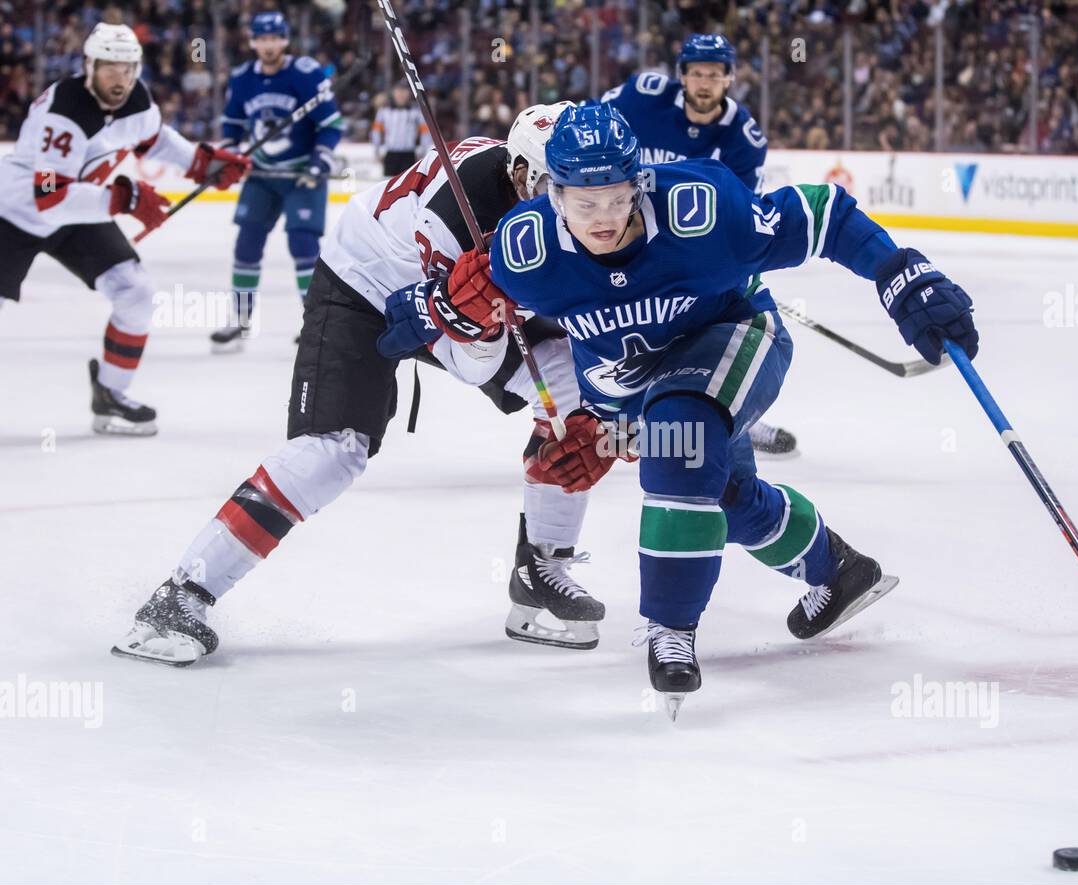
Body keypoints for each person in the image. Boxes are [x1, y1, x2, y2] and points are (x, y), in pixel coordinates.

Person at [463, 104, 978, 715]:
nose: (603, 217)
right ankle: (839, 570)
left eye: (616, 196)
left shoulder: (701, 213)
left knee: (680, 446)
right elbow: (488, 314)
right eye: (584, 201)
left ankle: (671, 632)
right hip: (641, 381)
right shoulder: (526, 253)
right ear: (555, 196)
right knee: (720, 502)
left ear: (639, 182)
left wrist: (900, 274)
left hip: (737, 334)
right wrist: (424, 312)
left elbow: (824, 215)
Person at [111, 102, 614, 667]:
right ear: (520, 172)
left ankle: (540, 577)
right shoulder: (455, 217)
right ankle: (180, 597)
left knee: (576, 396)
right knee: (332, 450)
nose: (577, 208)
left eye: (592, 190)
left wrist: (617, 412)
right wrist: (480, 315)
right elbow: (472, 363)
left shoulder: (586, 207)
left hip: (463, 299)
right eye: (558, 187)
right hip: (368, 287)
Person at [0, 22, 249, 434]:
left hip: (77, 212)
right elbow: (49, 194)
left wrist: (203, 162)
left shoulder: (135, 98)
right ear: (89, 66)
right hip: (15, 214)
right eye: (111, 68)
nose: (121, 78)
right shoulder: (64, 111)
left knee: (135, 292)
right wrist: (125, 198)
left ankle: (111, 395)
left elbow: (156, 138)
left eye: (129, 68)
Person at [597, 33, 797, 458]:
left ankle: (734, 416)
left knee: (711, 328)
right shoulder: (641, 98)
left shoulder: (744, 139)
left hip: (687, 252)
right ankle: (617, 421)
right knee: (615, 331)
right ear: (682, 76)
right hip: (622, 235)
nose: (704, 83)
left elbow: (740, 217)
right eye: (696, 73)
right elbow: (592, 128)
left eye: (714, 74)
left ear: (729, 79)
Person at [210, 10, 344, 350]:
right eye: (262, 38)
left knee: (302, 246)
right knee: (247, 244)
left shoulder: (306, 73)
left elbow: (330, 125)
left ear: (285, 40)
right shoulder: (242, 78)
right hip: (261, 174)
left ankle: (316, 322)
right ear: (253, 41)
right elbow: (232, 127)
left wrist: (320, 160)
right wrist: (230, 156)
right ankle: (240, 319)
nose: (269, 45)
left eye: (275, 38)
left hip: (302, 175)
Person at [371, 83, 429, 177]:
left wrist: (423, 152)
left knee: (408, 185)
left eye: (404, 91)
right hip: (391, 154)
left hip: (409, 154)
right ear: (393, 93)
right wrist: (376, 152)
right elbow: (376, 132)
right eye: (398, 91)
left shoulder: (417, 111)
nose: (401, 94)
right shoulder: (384, 111)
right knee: (388, 184)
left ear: (409, 93)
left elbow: (425, 133)